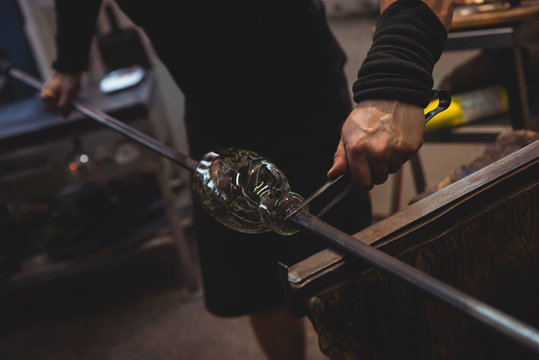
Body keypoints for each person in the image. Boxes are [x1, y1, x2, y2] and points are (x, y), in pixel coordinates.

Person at [40, 0, 454, 359]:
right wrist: (69, 62)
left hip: (301, 84)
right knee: (253, 280)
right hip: (210, 103)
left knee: (345, 270)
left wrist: (395, 81)